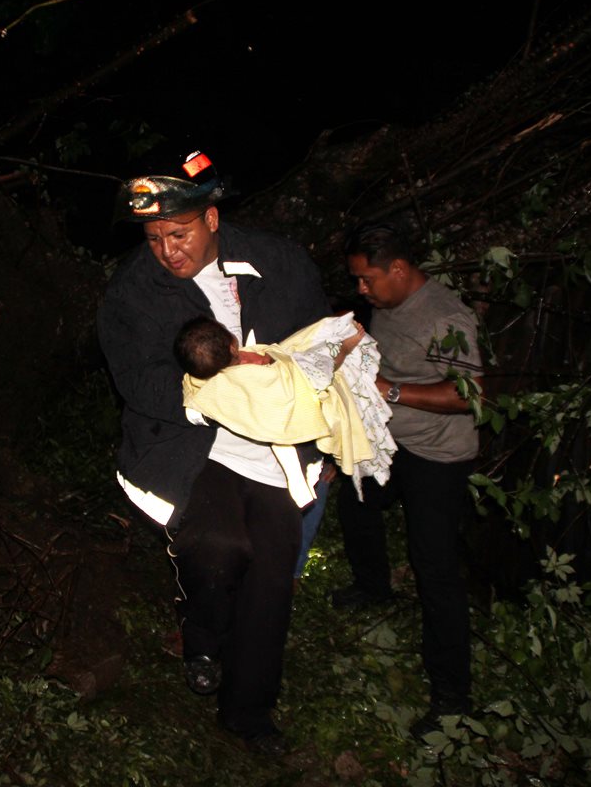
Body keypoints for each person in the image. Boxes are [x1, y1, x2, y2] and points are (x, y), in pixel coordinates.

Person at [97, 149, 330, 755]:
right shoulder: (134, 291)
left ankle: (249, 712)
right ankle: (201, 634)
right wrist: (218, 389)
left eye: (179, 234)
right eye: (154, 239)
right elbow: (137, 380)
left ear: (212, 219)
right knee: (221, 548)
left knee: (273, 577)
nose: (168, 250)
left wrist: (323, 430)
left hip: (275, 446)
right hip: (192, 445)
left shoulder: (281, 264)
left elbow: (322, 344)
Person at [333, 222, 483, 738]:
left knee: (433, 567)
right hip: (392, 442)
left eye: (367, 279)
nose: (362, 290)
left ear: (398, 269)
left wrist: (389, 392)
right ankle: (374, 588)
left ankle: (452, 700)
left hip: (438, 455)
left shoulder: (444, 316)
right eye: (358, 280)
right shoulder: (388, 300)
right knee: (355, 496)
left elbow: (470, 395)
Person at [174, 314, 394, 491]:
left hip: (292, 376)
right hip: (298, 397)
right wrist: (345, 348)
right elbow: (307, 380)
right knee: (323, 365)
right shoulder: (235, 384)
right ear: (232, 347)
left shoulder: (234, 361)